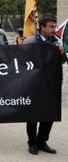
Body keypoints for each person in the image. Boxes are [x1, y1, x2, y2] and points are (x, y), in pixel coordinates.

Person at [23, 16, 67, 155]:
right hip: (34, 85)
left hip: (51, 85)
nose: (54, 29)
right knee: (33, 115)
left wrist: (62, 53)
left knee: (49, 115)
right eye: (51, 26)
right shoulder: (30, 42)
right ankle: (32, 143)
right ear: (42, 27)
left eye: (55, 26)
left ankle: (42, 141)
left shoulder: (56, 42)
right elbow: (22, 63)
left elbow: (63, 61)